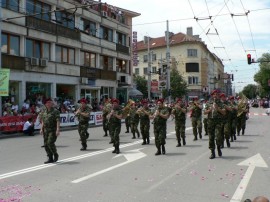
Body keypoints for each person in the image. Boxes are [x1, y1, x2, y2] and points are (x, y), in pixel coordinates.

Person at [204, 90, 226, 159]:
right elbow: (204, 112)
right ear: (212, 95)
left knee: (218, 136)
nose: (216, 96)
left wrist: (218, 108)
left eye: (217, 94)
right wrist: (209, 110)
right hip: (210, 122)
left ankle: (219, 148)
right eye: (214, 94)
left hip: (218, 122)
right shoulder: (208, 103)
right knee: (211, 138)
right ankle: (212, 152)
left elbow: (224, 113)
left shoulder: (221, 103)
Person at [40, 98, 60, 164]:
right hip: (46, 130)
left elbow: (58, 120)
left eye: (50, 102)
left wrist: (58, 129)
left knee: (50, 142)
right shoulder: (43, 111)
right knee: (46, 145)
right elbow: (43, 121)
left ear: (52, 103)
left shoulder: (55, 111)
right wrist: (41, 129)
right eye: (47, 103)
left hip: (53, 130)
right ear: (45, 104)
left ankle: (55, 154)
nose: (48, 104)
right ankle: (50, 158)